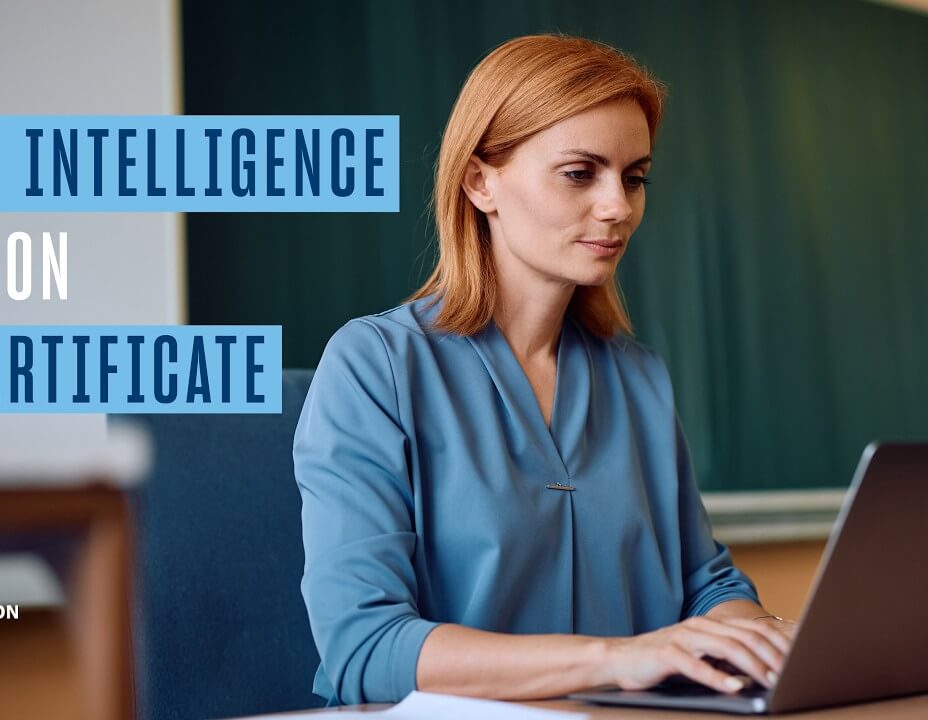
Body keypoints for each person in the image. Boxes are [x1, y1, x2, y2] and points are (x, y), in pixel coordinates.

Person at [293, 34, 797, 707]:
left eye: (635, 176)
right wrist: (620, 658)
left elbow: (706, 585)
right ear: (480, 182)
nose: (618, 206)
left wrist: (760, 642)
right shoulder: (375, 365)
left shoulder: (638, 378)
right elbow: (367, 647)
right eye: (580, 173)